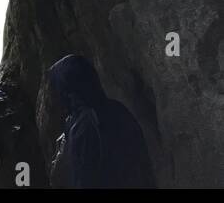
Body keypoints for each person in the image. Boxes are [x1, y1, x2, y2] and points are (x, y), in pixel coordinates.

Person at [47, 54, 155, 188]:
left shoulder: (84, 125)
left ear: (68, 91)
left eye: (58, 89)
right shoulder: (117, 109)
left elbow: (84, 179)